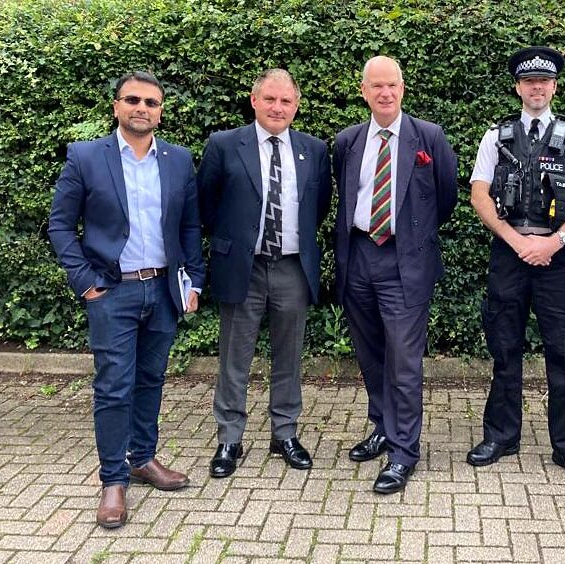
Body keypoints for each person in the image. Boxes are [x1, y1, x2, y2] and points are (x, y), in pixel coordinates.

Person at [48, 71, 205, 528]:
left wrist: (192, 281)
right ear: (116, 106)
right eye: (132, 100)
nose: (142, 108)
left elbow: (190, 227)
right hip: (111, 291)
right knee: (114, 385)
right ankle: (113, 479)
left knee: (151, 379)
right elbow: (61, 225)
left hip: (162, 289)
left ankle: (144, 458)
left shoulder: (178, 160)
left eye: (151, 102)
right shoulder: (85, 157)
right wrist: (85, 282)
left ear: (160, 111)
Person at [467, 46, 565, 485]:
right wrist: (514, 239)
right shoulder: (497, 135)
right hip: (509, 254)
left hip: (557, 257)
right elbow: (480, 194)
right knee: (504, 348)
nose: (537, 87)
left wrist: (556, 241)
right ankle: (501, 436)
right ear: (518, 87)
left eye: (544, 81)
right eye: (529, 82)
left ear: (554, 86)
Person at [197, 69, 331, 478]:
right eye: (270, 99)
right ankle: (229, 439)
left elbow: (319, 206)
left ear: (296, 106)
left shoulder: (314, 149)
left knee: (288, 356)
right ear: (254, 101)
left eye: (286, 101)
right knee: (234, 358)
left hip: (292, 265)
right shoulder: (223, 145)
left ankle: (285, 433)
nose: (277, 108)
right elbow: (206, 203)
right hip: (244, 267)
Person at [333, 56, 458, 494]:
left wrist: (410, 236)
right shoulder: (347, 142)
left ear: (403, 89)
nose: (385, 93)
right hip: (359, 258)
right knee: (371, 356)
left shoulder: (429, 137)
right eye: (376, 86)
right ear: (364, 91)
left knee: (404, 362)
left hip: (406, 263)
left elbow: (445, 197)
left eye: (392, 85)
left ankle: (404, 452)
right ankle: (383, 426)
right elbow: (345, 197)